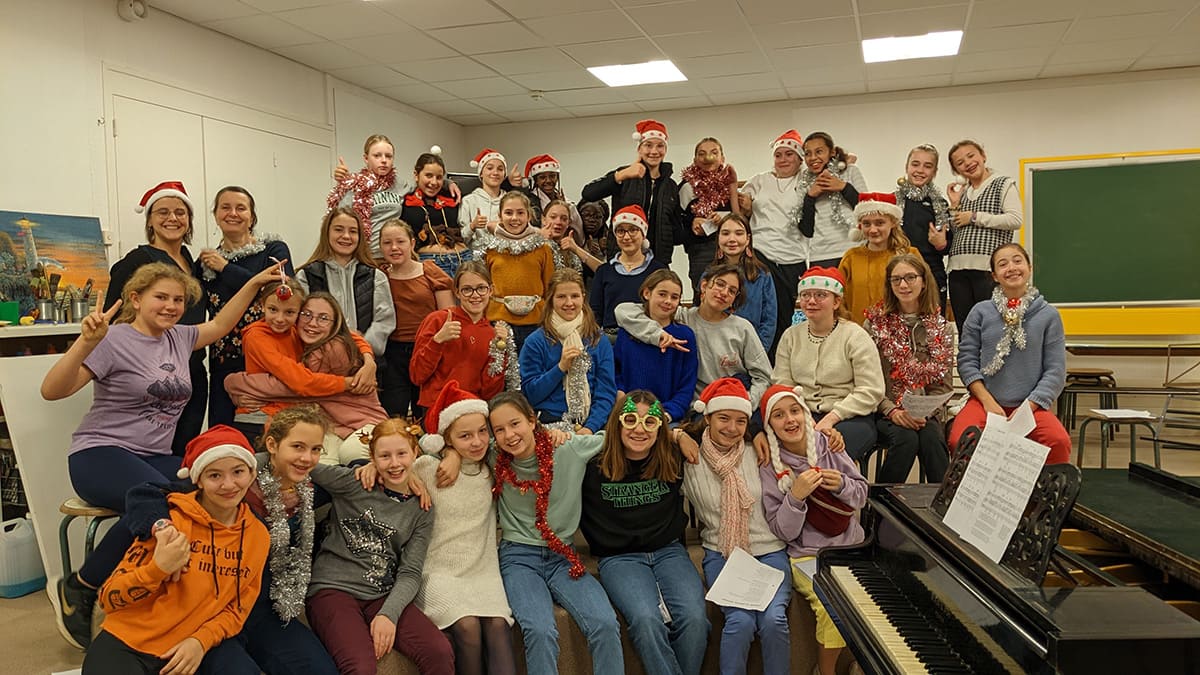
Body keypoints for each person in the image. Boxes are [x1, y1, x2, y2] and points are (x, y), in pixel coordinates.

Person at [44, 261, 280, 650]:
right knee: (155, 497)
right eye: (161, 297)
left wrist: (254, 282)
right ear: (135, 299)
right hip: (99, 452)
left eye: (178, 300)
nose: (171, 306)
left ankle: (200, 596)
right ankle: (81, 586)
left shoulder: (179, 337)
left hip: (153, 456)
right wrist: (86, 342)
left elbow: (222, 324)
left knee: (207, 489)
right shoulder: (112, 339)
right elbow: (52, 391)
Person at [121, 406, 342, 675]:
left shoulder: (311, 491)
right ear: (272, 445)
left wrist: (369, 469)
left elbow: (354, 480)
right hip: (211, 608)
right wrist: (163, 529)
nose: (307, 458)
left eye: (316, 449)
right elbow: (147, 494)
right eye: (298, 446)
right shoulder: (235, 477)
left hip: (264, 609)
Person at [81, 425, 270, 675]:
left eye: (238, 472)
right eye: (214, 475)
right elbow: (109, 598)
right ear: (198, 480)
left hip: (196, 642)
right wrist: (157, 569)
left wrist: (201, 641)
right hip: (131, 641)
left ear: (252, 473)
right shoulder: (168, 523)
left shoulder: (258, 536)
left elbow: (237, 609)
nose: (228, 484)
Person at [489, 391, 624, 675]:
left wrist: (676, 435)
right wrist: (451, 456)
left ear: (532, 420)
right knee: (540, 630)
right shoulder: (494, 456)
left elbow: (618, 437)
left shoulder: (566, 448)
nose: (509, 435)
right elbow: (438, 442)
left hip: (563, 556)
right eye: (499, 430)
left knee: (604, 622)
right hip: (518, 558)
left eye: (515, 424)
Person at [305, 422, 454, 675]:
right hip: (333, 590)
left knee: (438, 651)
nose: (394, 463)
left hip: (381, 592)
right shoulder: (354, 482)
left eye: (401, 454)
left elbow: (410, 572)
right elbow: (302, 465)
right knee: (361, 667)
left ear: (415, 453)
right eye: (384, 456)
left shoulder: (422, 508)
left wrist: (389, 614)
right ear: (372, 458)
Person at [580, 391, 708, 675]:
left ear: (660, 427)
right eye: (630, 420)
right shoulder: (592, 463)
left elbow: (724, 428)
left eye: (649, 422)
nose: (639, 429)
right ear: (617, 423)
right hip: (619, 558)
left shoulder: (670, 456)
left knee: (695, 618)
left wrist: (678, 435)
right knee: (646, 620)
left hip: (668, 552)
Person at [681, 378, 790, 675]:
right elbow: (645, 435)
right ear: (707, 417)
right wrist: (676, 435)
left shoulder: (759, 451)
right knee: (740, 620)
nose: (732, 428)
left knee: (773, 620)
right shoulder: (690, 456)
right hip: (723, 552)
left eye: (741, 421)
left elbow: (800, 434)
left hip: (769, 551)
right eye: (723, 418)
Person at [758, 385, 867, 675]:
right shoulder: (770, 465)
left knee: (875, 597)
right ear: (769, 426)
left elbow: (861, 495)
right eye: (779, 415)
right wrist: (795, 496)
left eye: (795, 410)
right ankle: (825, 671)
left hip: (850, 545)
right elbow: (783, 532)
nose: (790, 420)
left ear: (805, 413)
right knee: (833, 605)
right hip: (807, 555)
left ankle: (865, 662)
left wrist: (842, 485)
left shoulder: (828, 443)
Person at [411, 382, 516, 675]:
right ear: (447, 438)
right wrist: (449, 454)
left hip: (482, 570)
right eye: (465, 436)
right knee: (467, 625)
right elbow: (395, 468)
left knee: (498, 625)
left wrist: (454, 453)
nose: (477, 442)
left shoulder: (492, 467)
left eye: (483, 431)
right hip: (439, 571)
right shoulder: (428, 468)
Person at [104, 180, 208, 455]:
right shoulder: (137, 260)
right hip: (151, 375)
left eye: (180, 212)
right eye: (163, 212)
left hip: (193, 370)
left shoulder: (192, 261)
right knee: (149, 452)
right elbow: (114, 318)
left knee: (183, 451)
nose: (172, 218)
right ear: (149, 220)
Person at [225, 292, 386, 465]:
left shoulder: (331, 348)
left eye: (323, 318)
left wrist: (234, 383)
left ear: (335, 324)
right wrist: (369, 358)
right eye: (306, 314)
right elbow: (354, 336)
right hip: (337, 429)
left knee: (350, 454)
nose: (313, 323)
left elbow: (299, 386)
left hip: (365, 425)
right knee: (315, 466)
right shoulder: (304, 339)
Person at [949, 243, 1071, 464]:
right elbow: (966, 360)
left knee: (1058, 442)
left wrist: (1029, 407)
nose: (1012, 268)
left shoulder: (1049, 315)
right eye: (1003, 264)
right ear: (994, 276)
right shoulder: (980, 312)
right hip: (985, 402)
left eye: (1017, 261)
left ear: (1029, 268)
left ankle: (1038, 489)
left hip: (1031, 406)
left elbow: (1055, 371)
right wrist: (987, 401)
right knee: (961, 440)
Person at [196, 185, 294, 426]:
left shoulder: (273, 249)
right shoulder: (206, 262)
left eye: (241, 208)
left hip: (269, 359)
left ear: (252, 216)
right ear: (216, 215)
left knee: (271, 431)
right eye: (225, 207)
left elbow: (282, 293)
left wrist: (226, 268)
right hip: (223, 362)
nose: (233, 213)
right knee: (223, 431)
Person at [616, 262, 773, 410]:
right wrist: (658, 334)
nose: (724, 293)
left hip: (733, 402)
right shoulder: (681, 317)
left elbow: (763, 376)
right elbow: (624, 311)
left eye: (732, 291)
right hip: (697, 407)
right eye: (720, 284)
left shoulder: (742, 328)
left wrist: (746, 403)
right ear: (704, 286)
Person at [773, 267, 885, 463]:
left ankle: (835, 483)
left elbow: (871, 390)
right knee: (777, 447)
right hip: (802, 414)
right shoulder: (791, 336)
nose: (811, 301)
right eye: (805, 295)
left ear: (836, 302)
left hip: (850, 416)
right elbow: (783, 384)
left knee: (827, 452)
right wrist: (801, 415)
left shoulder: (855, 336)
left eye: (820, 295)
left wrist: (833, 417)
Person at [864, 254, 954, 483]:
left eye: (910, 277)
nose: (903, 285)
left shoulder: (940, 328)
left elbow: (943, 386)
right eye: (896, 279)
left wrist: (924, 413)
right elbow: (866, 380)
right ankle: (882, 502)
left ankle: (942, 501)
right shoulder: (874, 325)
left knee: (932, 439)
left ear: (923, 281)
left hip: (925, 413)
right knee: (906, 439)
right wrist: (892, 411)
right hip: (884, 410)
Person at [736, 130, 810, 355]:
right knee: (757, 312)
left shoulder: (806, 179)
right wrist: (746, 207)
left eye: (789, 154)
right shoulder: (760, 180)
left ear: (800, 158)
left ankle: (778, 362)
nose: (783, 159)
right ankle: (754, 359)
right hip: (761, 254)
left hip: (793, 257)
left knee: (783, 316)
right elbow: (739, 207)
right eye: (778, 155)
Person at [520, 269, 617, 433]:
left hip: (590, 426)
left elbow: (606, 392)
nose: (569, 303)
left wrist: (590, 427)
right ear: (551, 299)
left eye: (575, 296)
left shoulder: (598, 340)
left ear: (583, 297)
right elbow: (530, 395)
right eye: (561, 297)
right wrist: (560, 367)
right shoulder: (536, 341)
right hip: (549, 425)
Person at [411, 261, 515, 408]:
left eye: (481, 288)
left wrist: (499, 352)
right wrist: (437, 341)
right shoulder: (438, 320)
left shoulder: (492, 334)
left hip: (473, 409)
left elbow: (490, 392)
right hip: (436, 407)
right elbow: (417, 376)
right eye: (467, 289)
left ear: (491, 290)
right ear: (457, 292)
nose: (475, 295)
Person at [379, 219, 454, 418]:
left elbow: (448, 315)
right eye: (387, 243)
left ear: (412, 243)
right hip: (393, 354)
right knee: (394, 411)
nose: (394, 248)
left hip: (428, 349)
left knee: (425, 412)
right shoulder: (380, 276)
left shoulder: (430, 271)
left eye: (400, 242)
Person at [296, 207, 395, 357]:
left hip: (365, 358)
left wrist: (361, 348)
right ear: (327, 232)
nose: (346, 236)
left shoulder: (375, 276)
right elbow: (302, 320)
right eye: (339, 229)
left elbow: (384, 321)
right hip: (319, 359)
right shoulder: (307, 275)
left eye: (353, 231)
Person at [945, 139, 1021, 333]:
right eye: (960, 163)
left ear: (983, 155)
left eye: (971, 156)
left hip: (988, 268)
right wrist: (954, 206)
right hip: (957, 269)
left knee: (991, 329)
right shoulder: (963, 192)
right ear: (956, 170)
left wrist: (975, 217)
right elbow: (957, 232)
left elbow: (1015, 219)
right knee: (966, 329)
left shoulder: (1003, 183)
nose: (968, 163)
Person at [582, 119, 681, 264]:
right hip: (621, 257)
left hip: (658, 261)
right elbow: (588, 193)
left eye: (660, 146)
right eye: (648, 145)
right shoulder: (625, 175)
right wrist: (621, 175)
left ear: (665, 150)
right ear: (639, 149)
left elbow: (676, 227)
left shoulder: (670, 186)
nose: (654, 151)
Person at [612, 269, 699, 425]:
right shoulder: (628, 332)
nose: (668, 301)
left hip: (667, 416)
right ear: (647, 293)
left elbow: (687, 385)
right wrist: (622, 397)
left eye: (674, 297)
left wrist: (667, 413)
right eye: (662, 294)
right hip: (628, 412)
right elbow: (616, 371)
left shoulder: (685, 335)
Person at [484, 191, 556, 350]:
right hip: (498, 323)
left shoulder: (543, 248)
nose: (514, 218)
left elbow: (550, 287)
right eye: (508, 213)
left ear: (529, 216)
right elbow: (484, 287)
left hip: (535, 323)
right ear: (500, 216)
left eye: (520, 213)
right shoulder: (489, 249)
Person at [838, 192, 919, 324]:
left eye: (879, 223)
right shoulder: (851, 258)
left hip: (901, 331)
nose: (873, 230)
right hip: (859, 331)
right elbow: (839, 298)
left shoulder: (910, 255)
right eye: (866, 224)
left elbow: (923, 294)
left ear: (893, 223)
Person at [586, 205, 668, 331]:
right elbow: (595, 313)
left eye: (633, 230)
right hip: (612, 337)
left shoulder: (658, 271)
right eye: (621, 231)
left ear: (643, 234)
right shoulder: (604, 271)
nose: (626, 237)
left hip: (648, 336)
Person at [327, 134, 408, 258]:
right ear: (366, 158)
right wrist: (343, 183)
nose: (384, 160)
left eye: (388, 156)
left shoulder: (401, 185)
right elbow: (339, 220)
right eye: (377, 155)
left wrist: (444, 182)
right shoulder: (355, 185)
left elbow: (424, 188)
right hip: (363, 256)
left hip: (393, 254)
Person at [894, 144, 952, 312]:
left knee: (933, 322)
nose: (920, 170)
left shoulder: (940, 204)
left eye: (927, 166)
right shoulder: (893, 202)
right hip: (899, 271)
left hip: (932, 271)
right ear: (907, 166)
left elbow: (949, 246)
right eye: (915, 164)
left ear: (935, 172)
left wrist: (942, 244)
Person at [679, 137, 740, 298]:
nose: (708, 157)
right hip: (701, 250)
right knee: (704, 295)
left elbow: (739, 219)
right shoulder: (687, 187)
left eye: (714, 152)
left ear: (722, 158)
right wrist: (692, 223)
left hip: (731, 249)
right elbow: (677, 222)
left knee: (732, 295)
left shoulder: (729, 184)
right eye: (702, 154)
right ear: (695, 160)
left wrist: (724, 220)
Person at [798, 131, 866, 269]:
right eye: (808, 153)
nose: (813, 158)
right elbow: (806, 230)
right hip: (821, 255)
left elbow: (866, 209)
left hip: (854, 248)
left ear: (832, 152)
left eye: (819, 152)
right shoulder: (803, 182)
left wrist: (844, 187)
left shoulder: (850, 171)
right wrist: (810, 197)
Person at [712, 213, 776, 352]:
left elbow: (769, 320)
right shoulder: (708, 275)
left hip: (752, 349)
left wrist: (757, 353)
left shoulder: (762, 275)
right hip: (714, 349)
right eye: (726, 233)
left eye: (739, 233)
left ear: (748, 239)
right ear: (718, 238)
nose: (732, 239)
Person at [399, 151, 467, 278]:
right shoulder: (406, 203)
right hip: (431, 264)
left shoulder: (452, 196)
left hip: (464, 259)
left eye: (439, 177)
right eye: (428, 175)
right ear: (416, 175)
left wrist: (449, 183)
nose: (434, 182)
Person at [459, 148, 508, 254]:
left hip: (505, 256)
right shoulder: (468, 201)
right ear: (481, 173)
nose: (495, 172)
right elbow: (460, 239)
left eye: (500, 169)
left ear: (504, 175)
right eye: (490, 168)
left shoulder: (510, 201)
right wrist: (472, 226)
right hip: (475, 259)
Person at [520, 153, 583, 236]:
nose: (548, 181)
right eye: (542, 177)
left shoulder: (567, 203)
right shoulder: (528, 202)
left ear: (557, 178)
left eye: (552, 176)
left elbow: (578, 232)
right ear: (536, 181)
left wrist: (566, 208)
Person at [541, 200, 585, 273]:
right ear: (543, 220)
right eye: (553, 217)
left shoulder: (572, 253)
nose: (558, 222)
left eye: (564, 219)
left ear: (569, 223)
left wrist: (576, 249)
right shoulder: (532, 244)